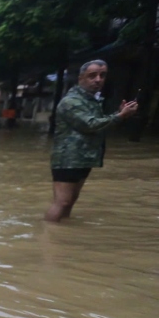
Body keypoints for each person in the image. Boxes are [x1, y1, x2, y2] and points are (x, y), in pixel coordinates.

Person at [45, 59, 138, 223]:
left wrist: (119, 114)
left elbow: (100, 124)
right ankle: (47, 238)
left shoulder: (91, 101)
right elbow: (90, 124)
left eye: (102, 75)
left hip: (84, 157)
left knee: (70, 201)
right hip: (67, 159)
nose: (98, 80)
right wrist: (119, 116)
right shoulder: (71, 101)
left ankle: (60, 236)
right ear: (81, 78)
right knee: (62, 201)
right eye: (92, 76)